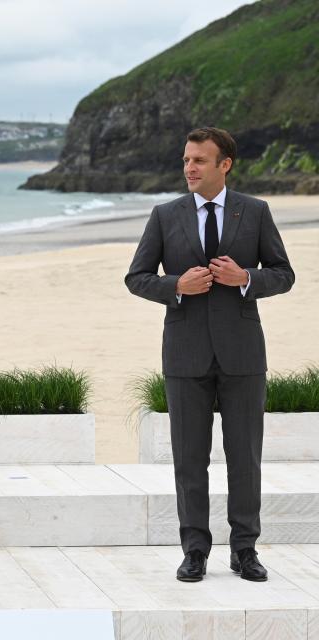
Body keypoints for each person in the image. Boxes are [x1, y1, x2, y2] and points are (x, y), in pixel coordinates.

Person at [125, 127, 294, 582]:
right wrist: (175, 287)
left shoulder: (255, 212)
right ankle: (194, 550)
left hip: (242, 355)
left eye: (199, 161)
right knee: (188, 459)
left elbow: (284, 274)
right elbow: (137, 277)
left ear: (225, 164)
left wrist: (245, 279)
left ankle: (245, 551)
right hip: (184, 355)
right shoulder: (165, 215)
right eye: (185, 161)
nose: (189, 169)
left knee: (245, 458)